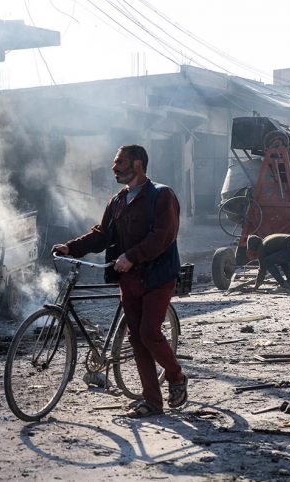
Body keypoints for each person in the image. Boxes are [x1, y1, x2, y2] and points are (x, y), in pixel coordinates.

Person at [52, 144, 187, 418]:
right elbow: (101, 234)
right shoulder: (117, 201)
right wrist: (71, 247)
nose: (114, 167)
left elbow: (164, 236)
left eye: (120, 162)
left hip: (158, 276)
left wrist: (133, 256)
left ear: (138, 164)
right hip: (130, 278)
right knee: (137, 339)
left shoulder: (161, 195)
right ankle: (152, 402)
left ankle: (176, 377)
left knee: (149, 332)